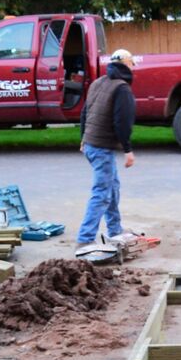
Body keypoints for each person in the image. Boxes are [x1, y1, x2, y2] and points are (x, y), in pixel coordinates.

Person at [77, 48, 136, 249]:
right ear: (126, 64)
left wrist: (83, 139)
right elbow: (122, 122)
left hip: (92, 145)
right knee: (102, 193)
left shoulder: (97, 83)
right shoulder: (121, 88)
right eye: (132, 63)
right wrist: (128, 150)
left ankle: (115, 230)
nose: (133, 67)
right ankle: (85, 239)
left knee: (112, 187)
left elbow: (85, 112)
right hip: (101, 148)